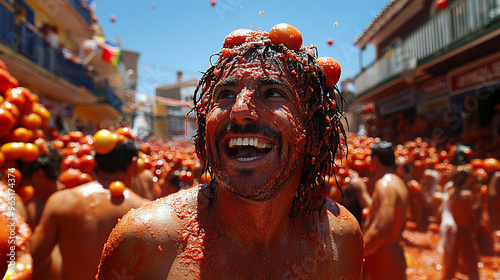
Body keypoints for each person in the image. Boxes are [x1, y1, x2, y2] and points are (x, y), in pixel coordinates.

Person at [97, 26, 363, 279]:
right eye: (225, 94)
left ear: (313, 130)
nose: (240, 109)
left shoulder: (339, 238)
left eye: (272, 93)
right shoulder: (147, 241)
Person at [30, 138, 150, 280]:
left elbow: (33, 260)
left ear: (93, 162)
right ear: (133, 165)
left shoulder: (60, 201)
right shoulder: (145, 210)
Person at [362, 141, 410, 280]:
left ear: (375, 159)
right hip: (395, 256)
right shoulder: (399, 183)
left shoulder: (384, 185)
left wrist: (359, 253)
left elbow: (380, 229)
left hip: (382, 262)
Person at [442, 165, 480, 280]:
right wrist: (479, 199)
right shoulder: (466, 195)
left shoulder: (451, 191)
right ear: (465, 179)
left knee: (451, 267)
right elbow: (471, 215)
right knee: (472, 267)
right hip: (464, 232)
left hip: (453, 232)